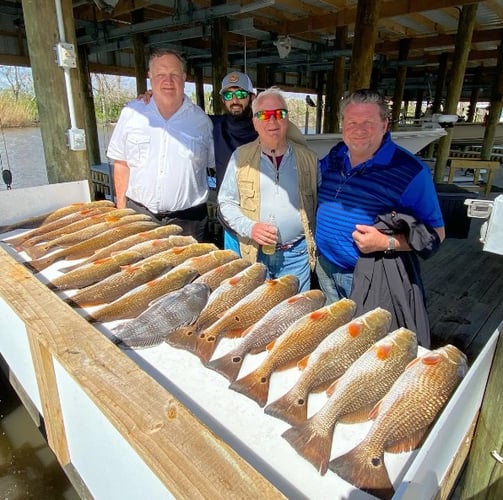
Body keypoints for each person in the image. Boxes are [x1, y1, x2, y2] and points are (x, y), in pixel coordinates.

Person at [315, 88, 445, 306]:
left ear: (384, 125)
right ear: (342, 125)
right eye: (351, 122)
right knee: (335, 335)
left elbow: (437, 234)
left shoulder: (411, 171)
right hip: (325, 267)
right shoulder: (337, 154)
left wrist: (386, 242)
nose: (358, 130)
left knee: (366, 337)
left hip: (370, 277)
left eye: (368, 122)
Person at [107, 48, 214, 241]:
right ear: (150, 77)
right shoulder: (132, 113)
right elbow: (121, 162)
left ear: (184, 77)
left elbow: (218, 163)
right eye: (160, 74)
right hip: (138, 215)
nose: (168, 81)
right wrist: (121, 209)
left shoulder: (202, 121)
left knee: (190, 270)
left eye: (174, 74)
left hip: (189, 220)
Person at [218, 87, 319, 292]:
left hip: (296, 257)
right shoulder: (240, 157)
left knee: (295, 316)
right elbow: (226, 202)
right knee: (255, 316)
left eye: (279, 114)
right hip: (255, 255)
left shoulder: (309, 159)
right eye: (264, 115)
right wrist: (250, 227)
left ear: (287, 119)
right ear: (254, 122)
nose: (272, 121)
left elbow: (321, 203)